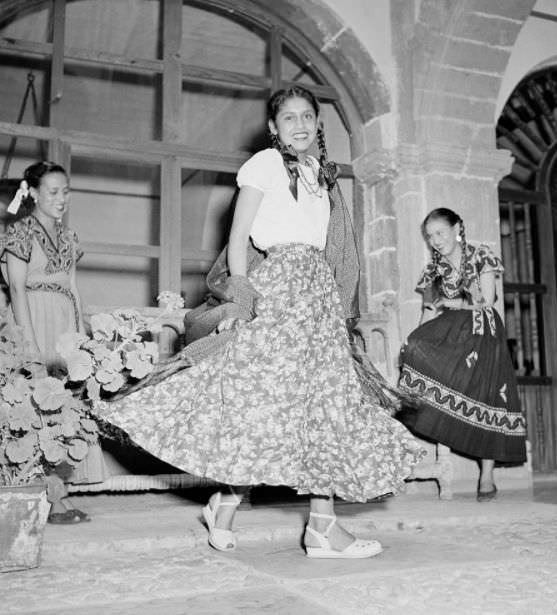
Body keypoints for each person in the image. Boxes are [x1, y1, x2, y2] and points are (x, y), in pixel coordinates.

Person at [93, 85, 424, 558]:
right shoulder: (263, 166)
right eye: (288, 118)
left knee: (323, 408)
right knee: (261, 407)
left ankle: (321, 527)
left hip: (318, 302)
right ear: (273, 128)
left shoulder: (321, 175)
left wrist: (335, 312)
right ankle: (226, 505)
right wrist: (241, 305)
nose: (300, 124)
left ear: (317, 124)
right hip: (277, 294)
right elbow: (238, 238)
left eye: (307, 115)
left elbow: (334, 252)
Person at [0, 161, 106, 523]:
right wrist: (28, 344)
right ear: (31, 193)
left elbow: (73, 288)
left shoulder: (69, 238)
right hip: (31, 321)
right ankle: (42, 499)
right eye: (53, 192)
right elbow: (16, 288)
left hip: (63, 326)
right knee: (36, 413)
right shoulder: (19, 233)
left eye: (66, 191)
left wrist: (80, 339)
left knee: (66, 414)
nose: (62, 198)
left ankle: (59, 494)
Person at [397, 208, 527, 501]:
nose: (435, 241)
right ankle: (440, 420)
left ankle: (487, 476)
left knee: (487, 397)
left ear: (457, 228)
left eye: (440, 233)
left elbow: (489, 300)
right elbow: (429, 310)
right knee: (415, 347)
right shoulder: (433, 269)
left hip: (484, 332)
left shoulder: (482, 255)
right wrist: (412, 342)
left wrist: (457, 304)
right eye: (430, 237)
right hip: (452, 333)